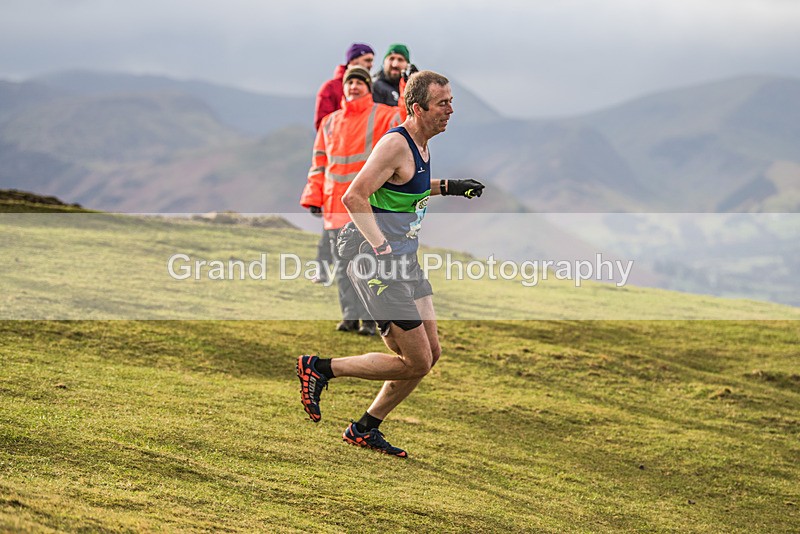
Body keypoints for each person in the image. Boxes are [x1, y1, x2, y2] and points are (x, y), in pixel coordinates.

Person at [296, 70, 485, 457]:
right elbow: (354, 197)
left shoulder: (422, 143)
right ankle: (320, 368)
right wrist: (381, 248)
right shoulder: (395, 144)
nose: (451, 110)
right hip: (375, 261)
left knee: (430, 354)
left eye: (451, 100)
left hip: (404, 260)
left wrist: (449, 186)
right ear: (417, 108)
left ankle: (365, 428)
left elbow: (406, 186)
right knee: (414, 361)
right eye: (443, 103)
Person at [300, 65, 404, 336]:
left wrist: (404, 87)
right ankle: (349, 317)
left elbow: (405, 120)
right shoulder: (329, 122)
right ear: (343, 87)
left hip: (365, 206)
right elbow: (319, 163)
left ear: (369, 87)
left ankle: (371, 321)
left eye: (360, 82)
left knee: (368, 266)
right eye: (350, 83)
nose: (354, 87)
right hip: (334, 206)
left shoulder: (382, 115)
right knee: (344, 267)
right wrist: (313, 196)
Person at [308, 43, 376, 283]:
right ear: (354, 60)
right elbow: (322, 123)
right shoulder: (331, 88)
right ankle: (323, 269)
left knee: (346, 226)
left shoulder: (371, 86)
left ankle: (344, 274)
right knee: (332, 225)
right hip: (336, 160)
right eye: (367, 60)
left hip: (355, 166)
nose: (370, 65)